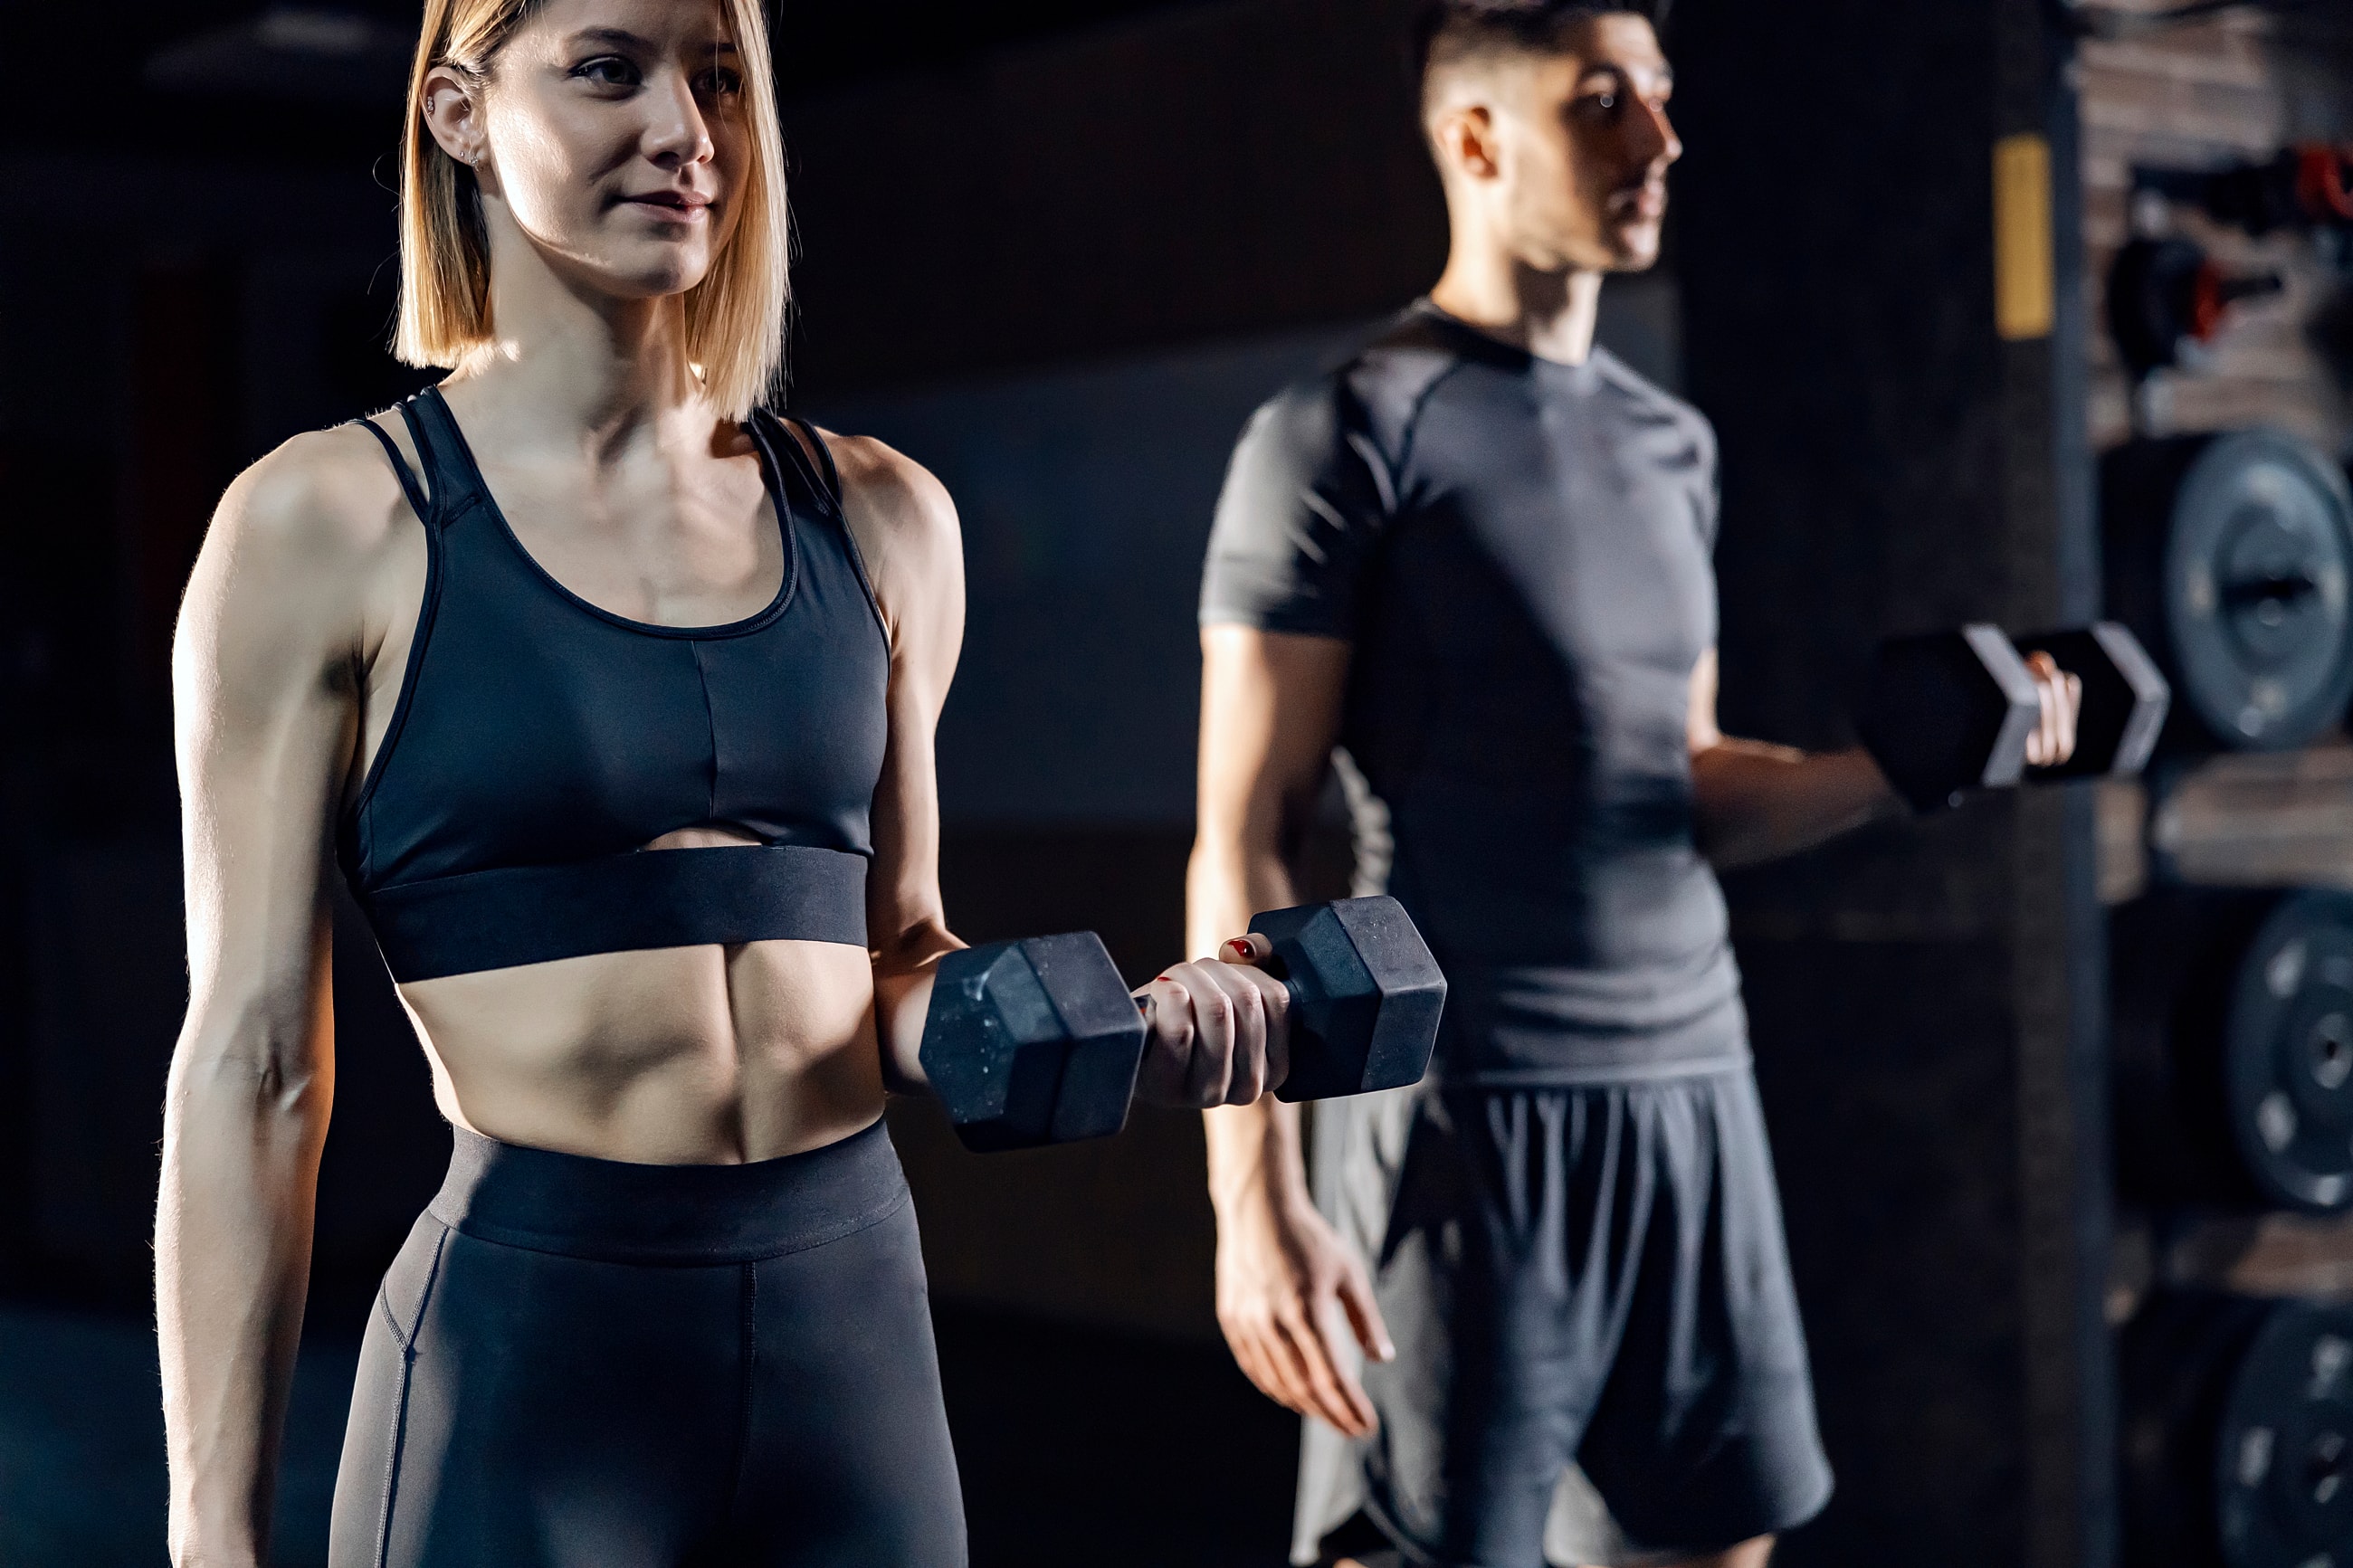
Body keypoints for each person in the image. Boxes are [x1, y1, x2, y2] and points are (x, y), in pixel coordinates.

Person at [155, 2, 1295, 1564]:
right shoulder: (326, 524)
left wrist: (1123, 1035)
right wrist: (212, 1532)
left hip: (853, 1331)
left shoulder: (882, 516)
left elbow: (898, 959)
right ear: (458, 111)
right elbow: (254, 1063)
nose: (688, 132)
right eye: (611, 69)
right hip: (535, 1356)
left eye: (720, 76)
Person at [1187, 4, 2082, 1566]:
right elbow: (1246, 834)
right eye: (1602, 102)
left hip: (1691, 1086)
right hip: (1464, 1109)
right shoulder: (1341, 432)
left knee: (1718, 1542)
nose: (1660, 141)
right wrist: (1249, 1197)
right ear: (1475, 139)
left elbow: (1678, 782)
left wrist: (1901, 768)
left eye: (1661, 96)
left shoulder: (1672, 443)